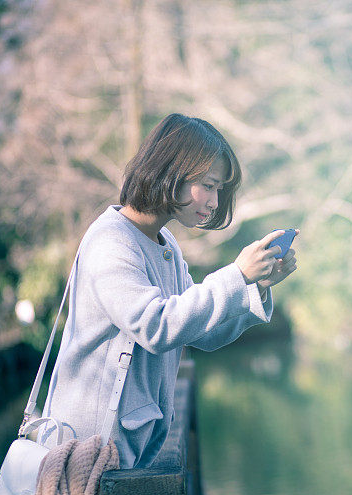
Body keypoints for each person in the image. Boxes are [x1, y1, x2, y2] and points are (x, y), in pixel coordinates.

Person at [40, 114, 298, 469]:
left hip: (122, 450)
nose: (213, 199)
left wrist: (257, 286)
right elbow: (156, 325)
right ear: (171, 171)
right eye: (208, 184)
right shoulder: (110, 240)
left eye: (219, 188)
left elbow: (200, 331)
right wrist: (236, 275)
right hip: (86, 451)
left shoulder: (165, 244)